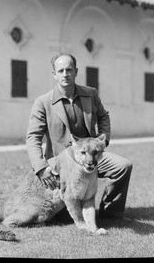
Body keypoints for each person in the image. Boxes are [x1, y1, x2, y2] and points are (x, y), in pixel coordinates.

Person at [26, 53, 133, 223]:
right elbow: (33, 138)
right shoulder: (43, 102)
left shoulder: (90, 94)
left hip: (89, 154)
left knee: (123, 166)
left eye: (69, 69)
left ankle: (111, 214)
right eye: (60, 70)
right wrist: (41, 167)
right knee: (61, 214)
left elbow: (104, 116)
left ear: (76, 71)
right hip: (63, 162)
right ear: (54, 74)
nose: (65, 74)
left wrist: (102, 141)